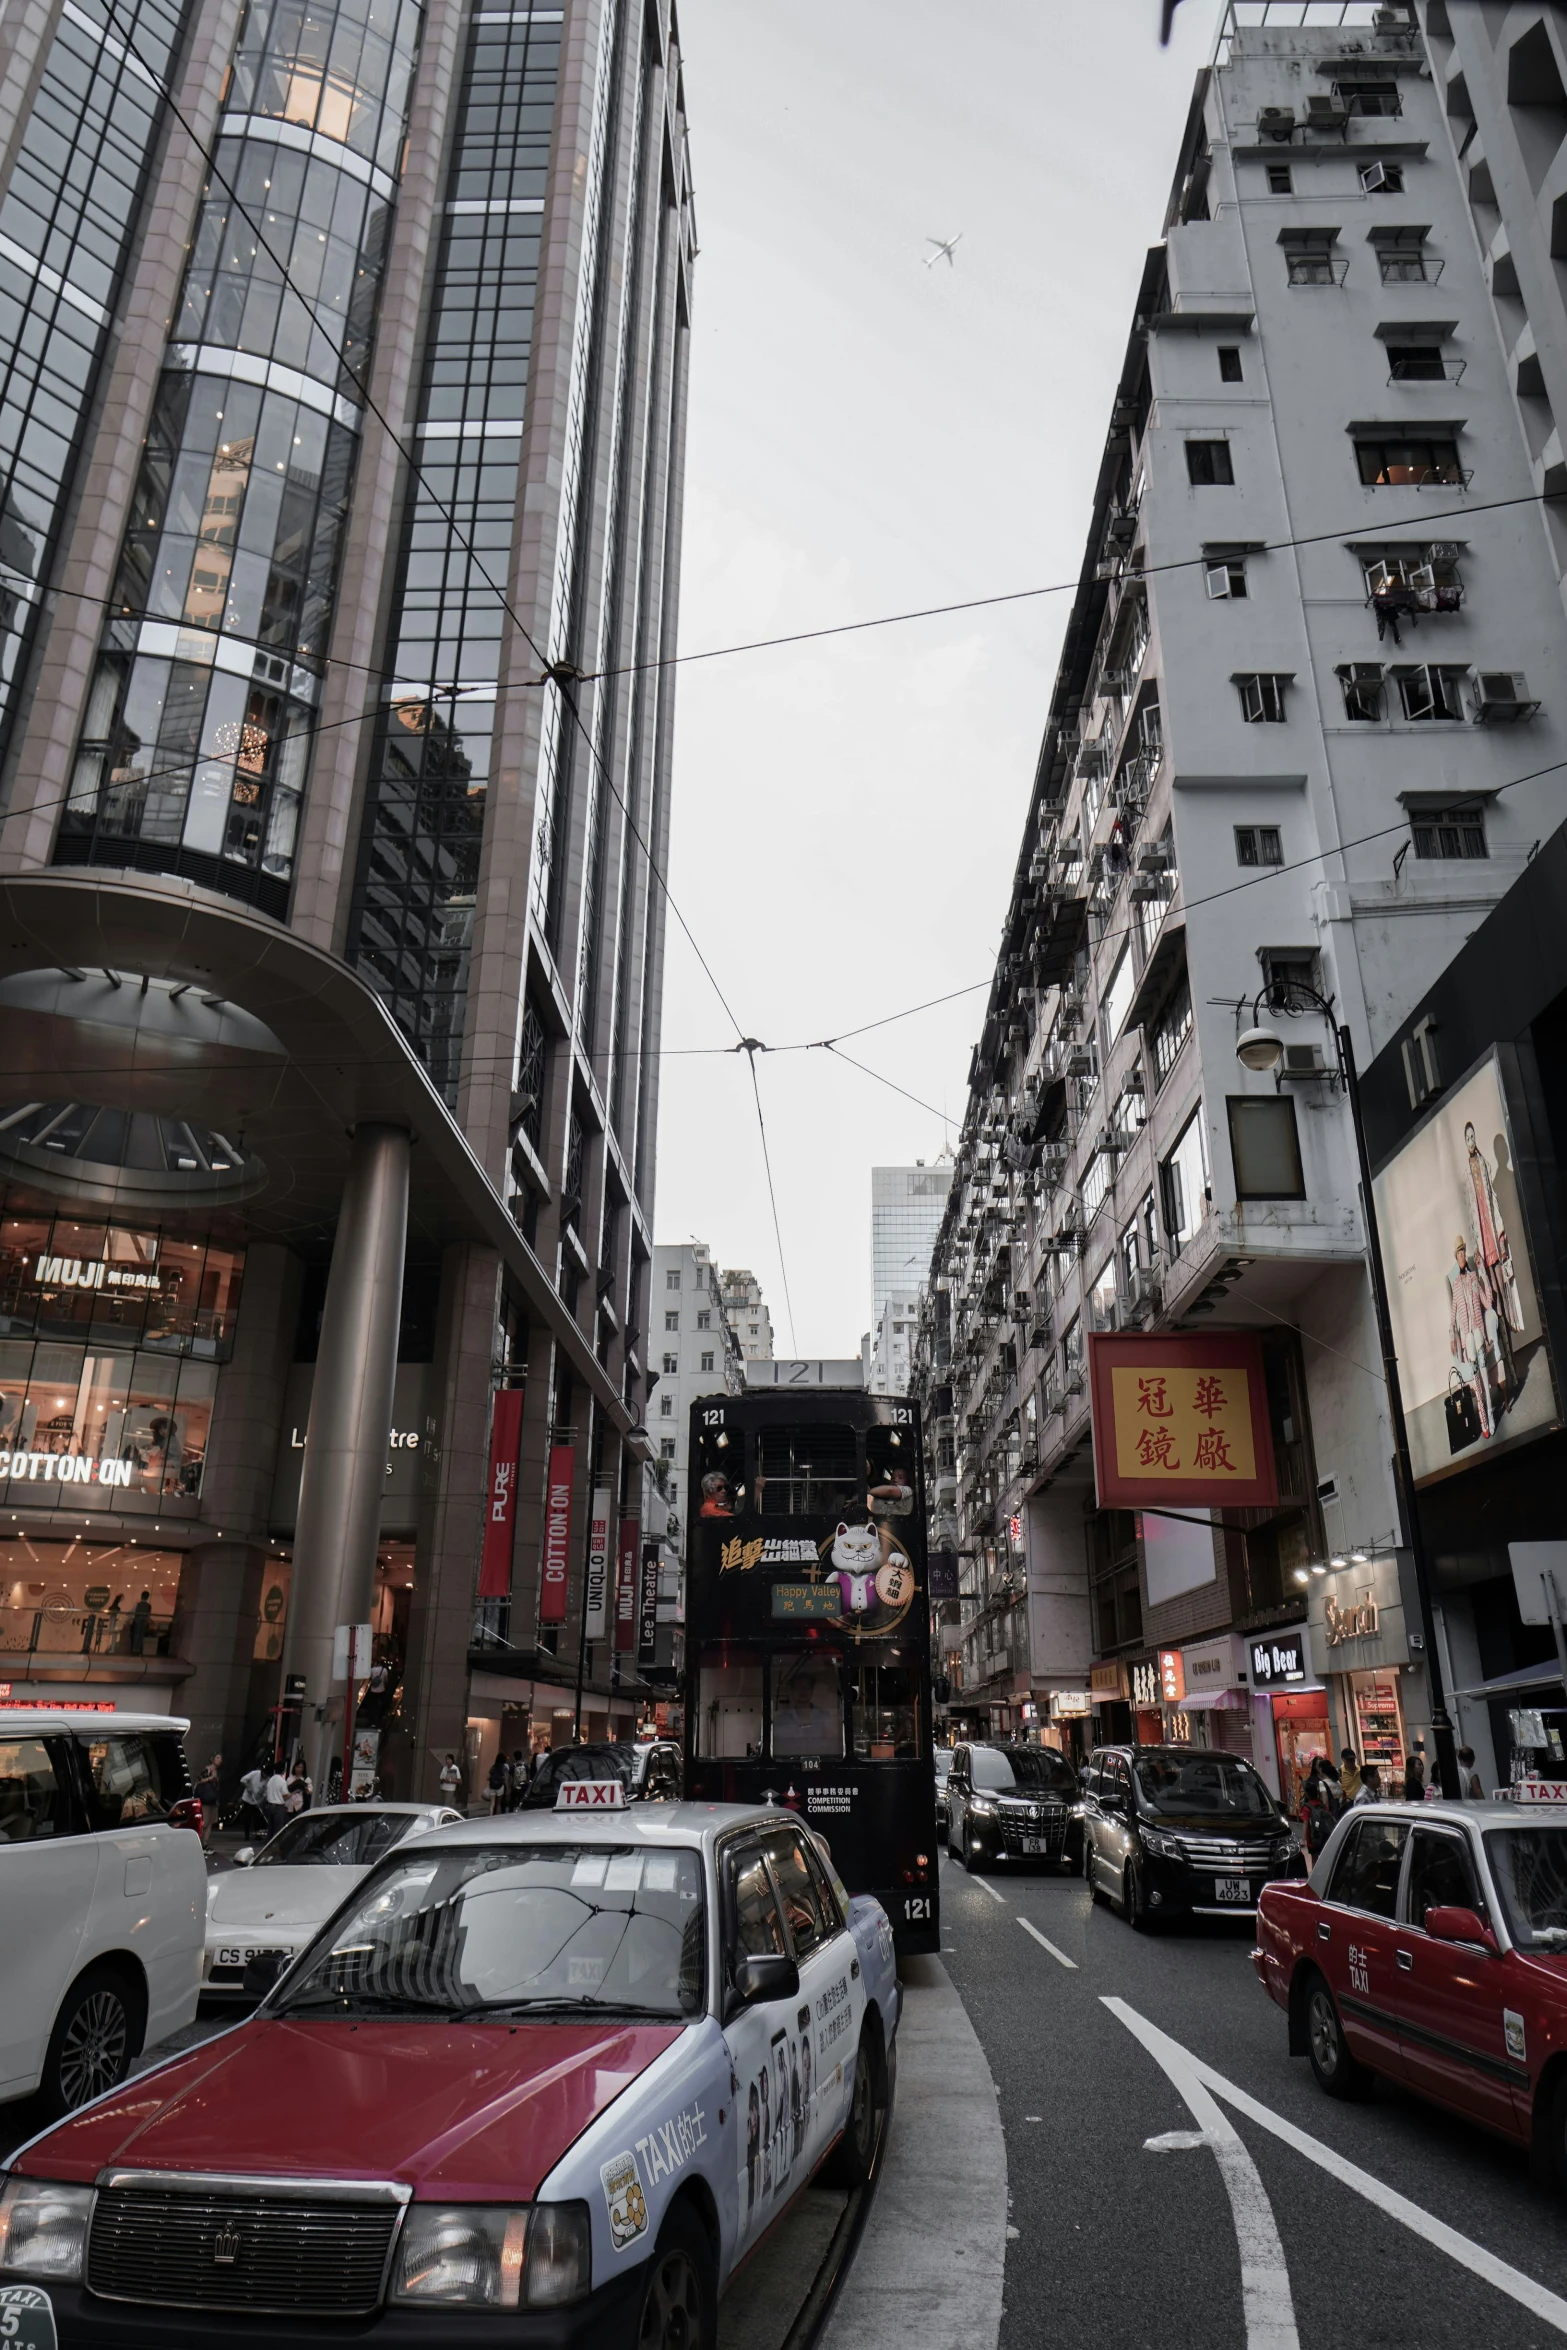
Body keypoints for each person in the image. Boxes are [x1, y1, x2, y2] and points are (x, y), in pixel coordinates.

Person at [193, 1755, 221, 1843]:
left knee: (210, 1823)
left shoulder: (217, 1771)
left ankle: (205, 1841)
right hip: (205, 1799)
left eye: (220, 1758)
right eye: (217, 1758)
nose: (220, 1760)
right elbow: (199, 1780)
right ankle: (198, 1840)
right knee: (204, 1822)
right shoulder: (207, 1769)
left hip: (213, 1799)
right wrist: (211, 1777)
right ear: (212, 1759)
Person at [262, 1761, 291, 1838]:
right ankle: (276, 1847)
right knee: (278, 1830)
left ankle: (268, 1844)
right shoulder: (282, 1781)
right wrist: (292, 1794)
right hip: (278, 1807)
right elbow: (285, 1796)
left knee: (270, 1829)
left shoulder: (271, 1780)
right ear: (284, 1770)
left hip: (270, 1805)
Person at [238, 1761, 265, 1840]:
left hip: (257, 1801)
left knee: (257, 1819)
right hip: (247, 1799)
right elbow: (242, 1780)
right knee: (247, 1818)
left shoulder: (267, 1780)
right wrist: (247, 1786)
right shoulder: (255, 1773)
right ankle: (246, 1836)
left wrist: (261, 1802)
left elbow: (265, 1794)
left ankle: (257, 1835)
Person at [127, 1588, 153, 1656]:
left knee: (136, 1635)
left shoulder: (137, 1604)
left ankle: (134, 1649)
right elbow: (148, 1615)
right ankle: (138, 1649)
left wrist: (129, 1617)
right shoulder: (149, 1606)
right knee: (141, 1636)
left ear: (141, 1596)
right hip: (144, 1622)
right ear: (147, 1597)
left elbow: (132, 1612)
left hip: (137, 1621)